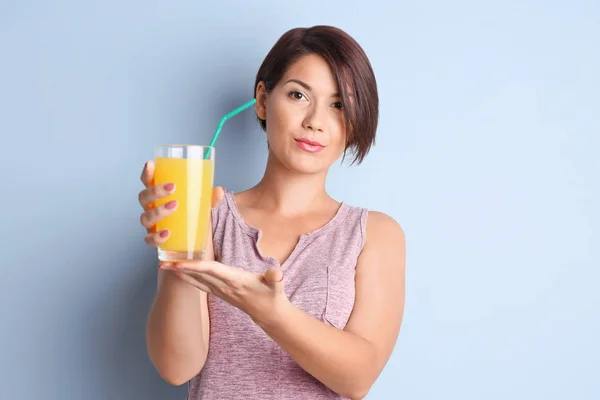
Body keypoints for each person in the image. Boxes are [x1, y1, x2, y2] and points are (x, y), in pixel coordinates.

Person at [138, 25, 406, 400]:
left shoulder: (373, 234)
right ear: (263, 100)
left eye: (338, 104)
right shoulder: (207, 213)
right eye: (298, 94)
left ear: (355, 120)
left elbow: (358, 379)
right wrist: (180, 250)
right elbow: (177, 367)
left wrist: (270, 312)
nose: (315, 120)